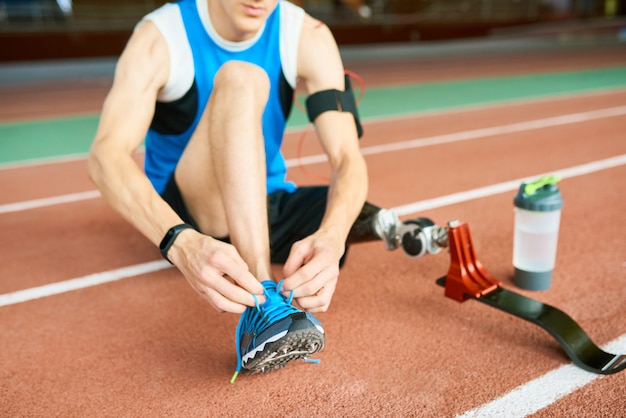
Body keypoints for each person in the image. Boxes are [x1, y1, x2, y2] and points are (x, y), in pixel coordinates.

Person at [88, 0, 399, 380]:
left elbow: (347, 159)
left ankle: (382, 228)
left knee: (343, 213)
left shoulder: (308, 36)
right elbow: (106, 156)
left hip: (266, 200)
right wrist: (179, 242)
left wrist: (332, 239)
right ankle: (263, 304)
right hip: (190, 209)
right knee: (241, 77)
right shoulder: (160, 36)